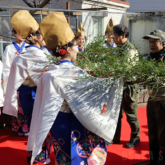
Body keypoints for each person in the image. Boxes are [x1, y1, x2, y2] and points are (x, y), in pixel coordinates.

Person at [26, 12, 124, 165]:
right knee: (79, 156)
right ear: (68, 50)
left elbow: (42, 105)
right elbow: (96, 90)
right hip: (79, 119)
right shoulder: (78, 73)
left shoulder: (48, 74)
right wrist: (117, 80)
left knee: (63, 155)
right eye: (77, 46)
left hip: (57, 121)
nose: (78, 49)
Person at [3, 10, 52, 164]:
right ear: (36, 37)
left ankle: (34, 156)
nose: (44, 38)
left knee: (34, 125)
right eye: (42, 35)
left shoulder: (26, 54)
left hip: (25, 92)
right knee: (38, 126)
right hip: (35, 92)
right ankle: (37, 158)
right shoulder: (37, 55)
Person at [112, 24, 140, 148]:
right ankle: (115, 137)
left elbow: (125, 70)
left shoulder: (130, 50)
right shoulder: (118, 48)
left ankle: (135, 137)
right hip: (119, 85)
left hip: (129, 87)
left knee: (131, 114)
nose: (113, 38)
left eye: (115, 36)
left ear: (123, 36)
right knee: (116, 114)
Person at [143, 30, 165, 165]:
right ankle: (153, 160)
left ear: (162, 42)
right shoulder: (147, 59)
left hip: (163, 99)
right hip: (152, 99)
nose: (151, 44)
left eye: (155, 41)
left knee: (164, 134)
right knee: (152, 132)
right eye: (149, 42)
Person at [2, 27, 29, 136]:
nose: (21, 35)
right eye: (19, 32)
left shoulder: (28, 47)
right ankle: (18, 127)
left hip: (26, 80)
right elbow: (6, 67)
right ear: (13, 33)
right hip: (14, 80)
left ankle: (27, 127)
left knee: (26, 104)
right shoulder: (9, 48)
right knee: (16, 103)